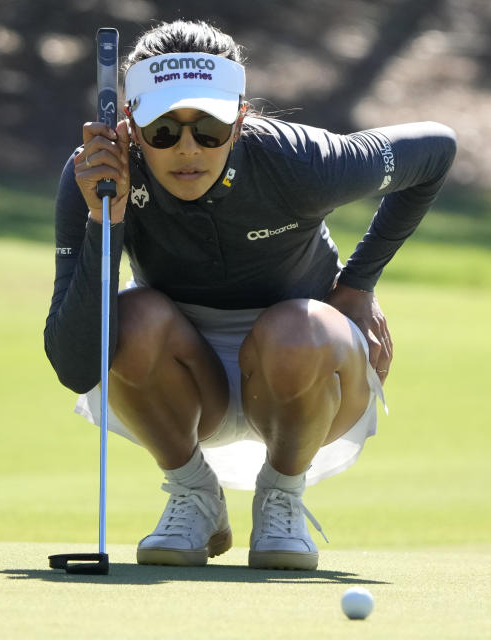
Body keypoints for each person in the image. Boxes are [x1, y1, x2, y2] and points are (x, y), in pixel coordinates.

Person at [44, 20, 456, 570]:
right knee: (133, 316)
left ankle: (281, 497)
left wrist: (359, 283)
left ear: (239, 121)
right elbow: (76, 365)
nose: (187, 150)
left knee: (297, 330)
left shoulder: (301, 163)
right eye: (163, 130)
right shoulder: (95, 175)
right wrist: (106, 223)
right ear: (131, 126)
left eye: (209, 129)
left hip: (305, 372)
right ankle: (194, 495)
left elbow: (436, 150)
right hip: (180, 382)